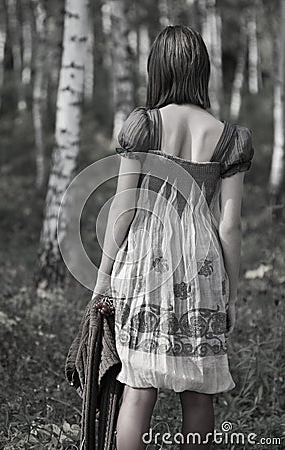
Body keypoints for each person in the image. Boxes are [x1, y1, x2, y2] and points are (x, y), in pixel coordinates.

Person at [92, 25, 254, 450]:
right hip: (201, 268)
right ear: (201, 70)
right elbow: (230, 225)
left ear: (157, 70)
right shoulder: (230, 138)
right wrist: (230, 293)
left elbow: (123, 209)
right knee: (199, 392)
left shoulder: (143, 125)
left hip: (145, 265)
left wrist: (103, 278)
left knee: (138, 387)